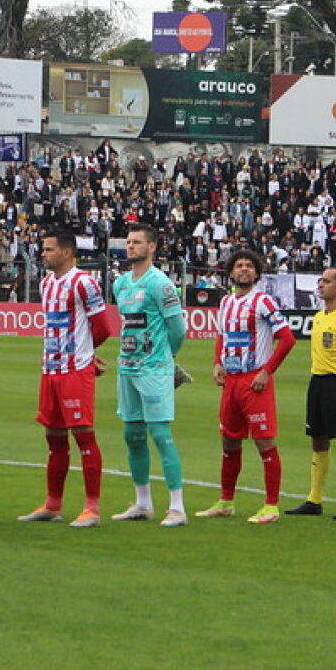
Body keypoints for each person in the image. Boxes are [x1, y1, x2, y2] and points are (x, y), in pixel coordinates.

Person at [18, 231, 110, 528]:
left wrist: (85, 355)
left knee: (83, 434)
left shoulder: (84, 283)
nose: (42, 254)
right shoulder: (46, 284)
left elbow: (103, 328)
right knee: (54, 436)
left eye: (48, 249)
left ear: (67, 252)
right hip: (50, 369)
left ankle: (92, 508)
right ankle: (53, 503)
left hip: (74, 369)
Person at [197, 249, 296, 524]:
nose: (243, 269)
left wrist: (266, 372)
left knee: (265, 442)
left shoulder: (263, 301)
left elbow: (287, 339)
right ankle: (226, 501)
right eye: (239, 265)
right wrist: (217, 363)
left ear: (256, 273)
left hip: (255, 382)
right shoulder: (227, 302)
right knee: (229, 440)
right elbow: (222, 336)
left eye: (249, 266)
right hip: (231, 382)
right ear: (230, 272)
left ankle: (271, 505)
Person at [111, 224, 188, 527]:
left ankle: (177, 508)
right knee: (132, 435)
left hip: (154, 368)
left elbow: (177, 329)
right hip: (127, 366)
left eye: (137, 242)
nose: (130, 247)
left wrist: (166, 359)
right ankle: (143, 503)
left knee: (160, 434)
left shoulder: (161, 284)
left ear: (152, 247)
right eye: (128, 242)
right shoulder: (121, 285)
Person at [285, 264, 336, 521]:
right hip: (317, 382)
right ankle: (314, 499)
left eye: (327, 281)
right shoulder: (319, 317)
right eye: (320, 281)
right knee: (318, 440)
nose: (320, 285)